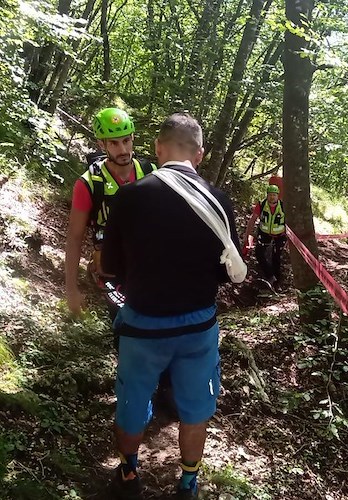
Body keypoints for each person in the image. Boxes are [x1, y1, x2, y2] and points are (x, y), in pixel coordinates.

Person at [101, 112, 243, 499]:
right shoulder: (220, 201)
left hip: (143, 324)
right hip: (198, 326)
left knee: (132, 401)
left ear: (158, 149)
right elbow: (226, 272)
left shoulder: (129, 197)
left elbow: (109, 267)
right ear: (199, 154)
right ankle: (188, 483)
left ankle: (130, 475)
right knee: (196, 410)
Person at [65, 107, 156, 317]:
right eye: (114, 143)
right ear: (101, 144)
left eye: (126, 140)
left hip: (150, 266)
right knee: (126, 325)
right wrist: (71, 289)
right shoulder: (89, 184)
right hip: (112, 273)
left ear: (133, 138)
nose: (123, 149)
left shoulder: (152, 173)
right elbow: (74, 237)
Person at [243, 184, 286, 288]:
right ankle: (269, 275)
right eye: (270, 195)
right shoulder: (262, 205)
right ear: (267, 195)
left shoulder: (284, 206)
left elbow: (291, 222)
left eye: (274, 195)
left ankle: (277, 283)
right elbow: (253, 219)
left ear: (278, 196)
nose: (272, 197)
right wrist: (247, 235)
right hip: (264, 232)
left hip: (280, 234)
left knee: (276, 257)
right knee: (258, 253)